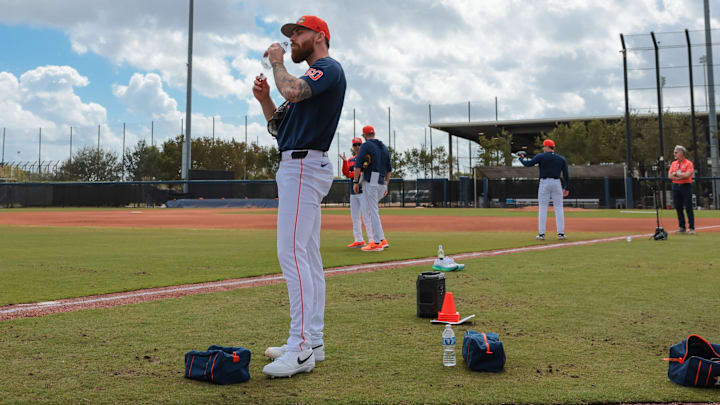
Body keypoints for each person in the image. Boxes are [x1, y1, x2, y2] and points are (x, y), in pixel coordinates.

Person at [252, 15, 346, 378]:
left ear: (319, 36)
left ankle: (301, 346)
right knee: (306, 254)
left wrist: (276, 61)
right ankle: (314, 341)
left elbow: (291, 91)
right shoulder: (309, 78)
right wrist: (264, 100)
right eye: (289, 35)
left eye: (298, 33)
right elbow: (279, 126)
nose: (292, 39)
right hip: (298, 162)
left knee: (291, 252)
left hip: (304, 165)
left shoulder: (327, 69)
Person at [519, 139, 570, 240]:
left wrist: (521, 158)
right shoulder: (561, 158)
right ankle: (561, 233)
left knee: (542, 208)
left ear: (547, 147)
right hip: (556, 183)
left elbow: (527, 164)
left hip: (544, 183)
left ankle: (541, 234)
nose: (543, 148)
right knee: (559, 208)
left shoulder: (541, 156)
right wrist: (567, 187)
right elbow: (566, 174)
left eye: (544, 146)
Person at [353, 125, 391, 251]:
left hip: (372, 178)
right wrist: (386, 184)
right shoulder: (384, 147)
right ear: (374, 133)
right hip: (381, 179)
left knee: (371, 210)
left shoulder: (366, 145)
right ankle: (382, 239)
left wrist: (355, 182)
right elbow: (389, 169)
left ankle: (376, 242)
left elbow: (358, 165)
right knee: (370, 210)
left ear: (364, 135)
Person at [340, 137, 373, 247]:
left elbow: (362, 173)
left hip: (364, 190)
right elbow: (346, 173)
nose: (357, 147)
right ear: (353, 147)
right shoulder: (350, 160)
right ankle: (359, 239)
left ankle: (372, 240)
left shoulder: (366, 158)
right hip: (353, 192)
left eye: (359, 144)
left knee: (367, 216)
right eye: (355, 145)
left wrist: (353, 174)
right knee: (355, 217)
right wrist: (345, 162)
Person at [668, 145, 695, 235]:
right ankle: (682, 227)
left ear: (681, 153)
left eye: (676, 152)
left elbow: (687, 175)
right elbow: (670, 176)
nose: (674, 154)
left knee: (688, 207)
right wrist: (679, 176)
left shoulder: (689, 163)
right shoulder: (673, 163)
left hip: (686, 186)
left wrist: (676, 175)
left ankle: (691, 228)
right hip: (676, 186)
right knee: (678, 207)